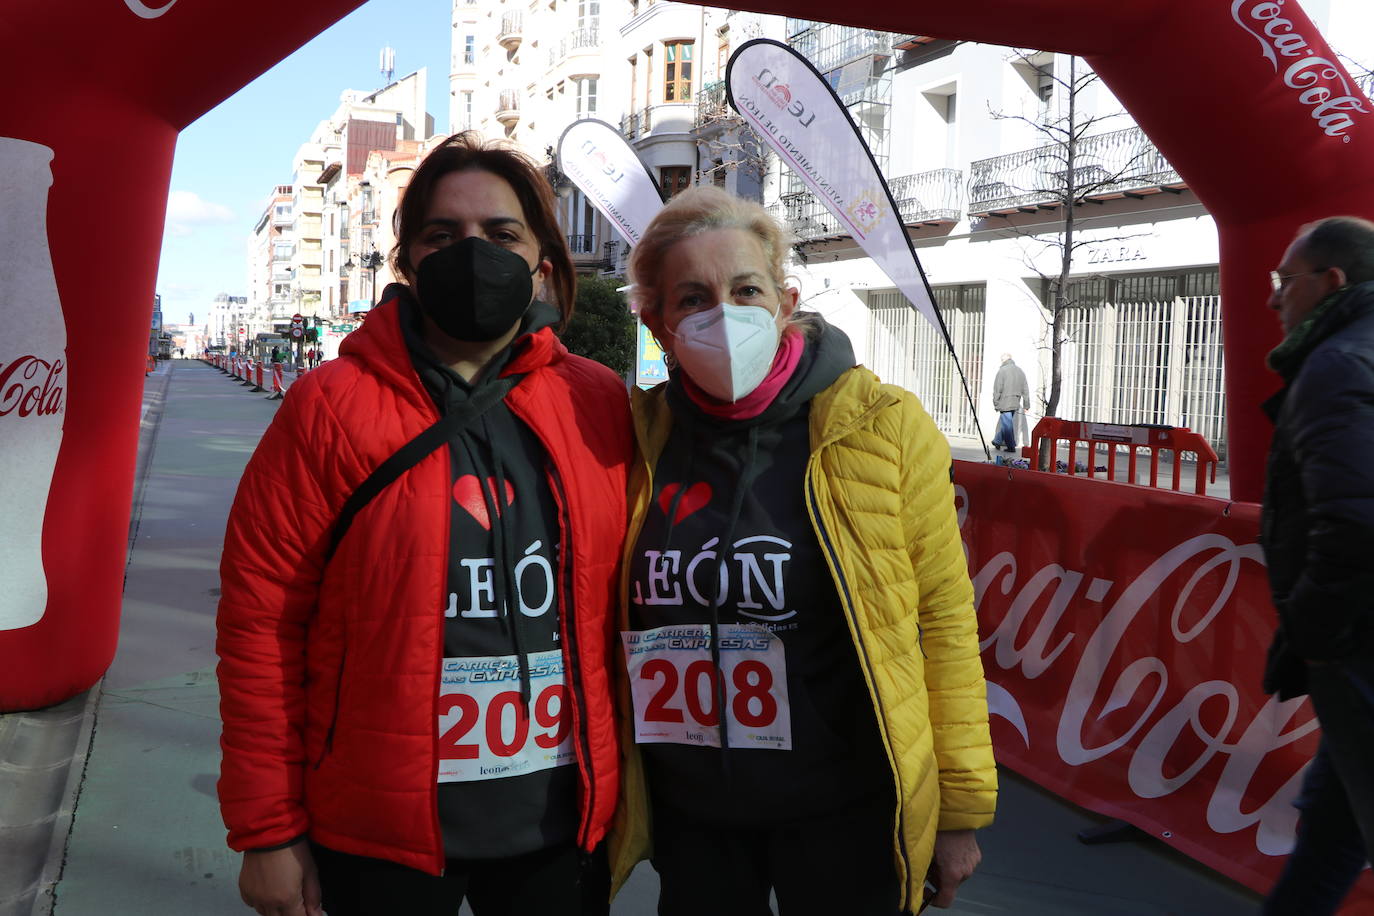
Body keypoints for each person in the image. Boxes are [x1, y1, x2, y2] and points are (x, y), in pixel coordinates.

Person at [216, 132, 632, 916]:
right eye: (443, 236)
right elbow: (260, 625)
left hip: (560, 824)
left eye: (501, 235)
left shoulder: (599, 402)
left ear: (543, 258)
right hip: (380, 833)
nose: (473, 254)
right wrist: (267, 831)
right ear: (406, 261)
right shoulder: (329, 408)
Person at [608, 187, 997, 915]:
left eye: (746, 289)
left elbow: (943, 620)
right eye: (692, 298)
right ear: (656, 323)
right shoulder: (632, 438)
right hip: (694, 820)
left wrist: (960, 809)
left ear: (786, 302)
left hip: (842, 813)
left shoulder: (882, 428)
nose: (723, 313)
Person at [1260, 216, 1374, 915]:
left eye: (1285, 281)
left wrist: (1311, 634)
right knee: (1331, 836)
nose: (1274, 299)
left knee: (1332, 838)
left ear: (1330, 282)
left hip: (1361, 651)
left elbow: (1356, 524)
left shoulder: (1337, 364)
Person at [989, 353, 1029, 453]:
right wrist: (1026, 404)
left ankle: (1011, 446)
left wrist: (996, 402)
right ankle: (997, 440)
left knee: (1007, 424)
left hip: (1004, 401)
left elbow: (998, 388)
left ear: (1003, 360)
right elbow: (1025, 389)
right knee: (1007, 423)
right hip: (1015, 401)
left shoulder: (1002, 371)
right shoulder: (1020, 371)